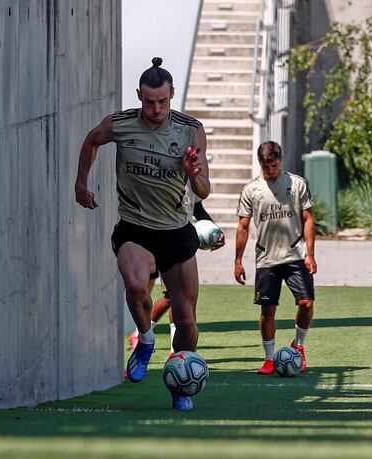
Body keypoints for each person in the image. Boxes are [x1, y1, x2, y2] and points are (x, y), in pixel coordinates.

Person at [74, 57, 209, 411]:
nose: (156, 109)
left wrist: (193, 172)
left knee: (186, 320)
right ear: (139, 96)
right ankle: (146, 339)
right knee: (135, 285)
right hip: (135, 227)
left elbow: (204, 189)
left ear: (172, 95)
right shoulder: (121, 124)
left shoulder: (190, 129)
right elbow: (91, 140)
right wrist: (80, 183)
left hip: (177, 231)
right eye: (149, 101)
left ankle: (181, 385)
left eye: (162, 101)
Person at [234, 141, 317, 375]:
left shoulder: (297, 184)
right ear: (260, 163)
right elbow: (242, 227)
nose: (270, 169)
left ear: (281, 159)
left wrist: (310, 254)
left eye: (274, 164)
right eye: (265, 165)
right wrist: (238, 261)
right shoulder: (251, 190)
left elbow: (309, 219)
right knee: (268, 311)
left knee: (306, 303)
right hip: (266, 259)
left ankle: (298, 345)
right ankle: (269, 358)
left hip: (296, 255)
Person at [128, 201, 226, 355]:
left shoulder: (192, 184)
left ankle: (178, 351)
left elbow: (198, 210)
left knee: (184, 302)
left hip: (184, 247)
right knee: (173, 298)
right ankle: (144, 336)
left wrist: (215, 230)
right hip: (167, 246)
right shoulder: (166, 180)